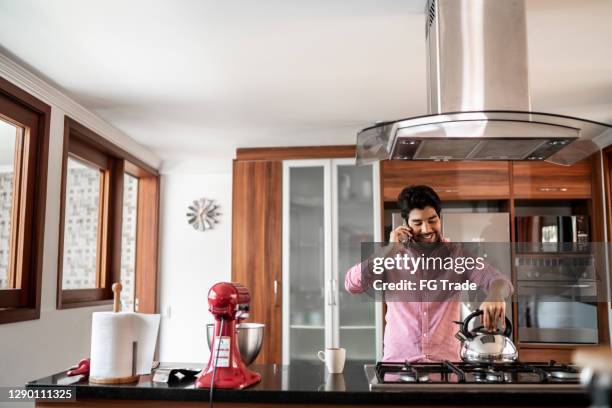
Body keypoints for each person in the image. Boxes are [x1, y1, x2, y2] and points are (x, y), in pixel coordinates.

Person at [344, 185, 513, 362]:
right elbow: (352, 284)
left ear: (439, 218)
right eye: (418, 223)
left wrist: (495, 294)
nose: (427, 229)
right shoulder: (389, 258)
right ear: (405, 225)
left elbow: (500, 281)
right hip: (399, 367)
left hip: (446, 369)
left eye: (432, 220)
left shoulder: (458, 255)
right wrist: (388, 250)